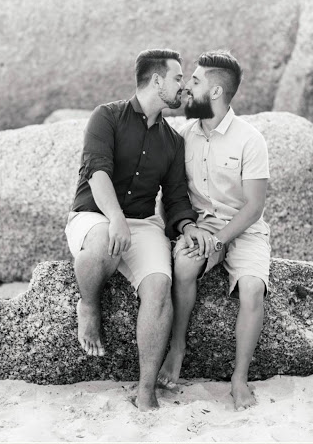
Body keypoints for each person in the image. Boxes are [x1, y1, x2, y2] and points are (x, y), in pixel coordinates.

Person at [65, 49, 212, 412]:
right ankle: (89, 306)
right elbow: (97, 172)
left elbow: (176, 198)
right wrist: (114, 217)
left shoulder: (173, 141)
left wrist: (188, 225)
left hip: (143, 224)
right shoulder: (107, 116)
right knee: (104, 243)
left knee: (160, 285)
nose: (183, 86)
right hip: (95, 214)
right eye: (178, 78)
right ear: (157, 80)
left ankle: (146, 391)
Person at [158, 50, 271, 411]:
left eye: (194, 81)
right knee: (186, 266)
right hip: (202, 225)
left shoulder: (251, 139)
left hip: (245, 229)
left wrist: (220, 240)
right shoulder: (182, 136)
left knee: (252, 289)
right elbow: (171, 197)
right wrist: (193, 231)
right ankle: (177, 349)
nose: (187, 87)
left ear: (217, 92)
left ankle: (239, 379)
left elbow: (254, 207)